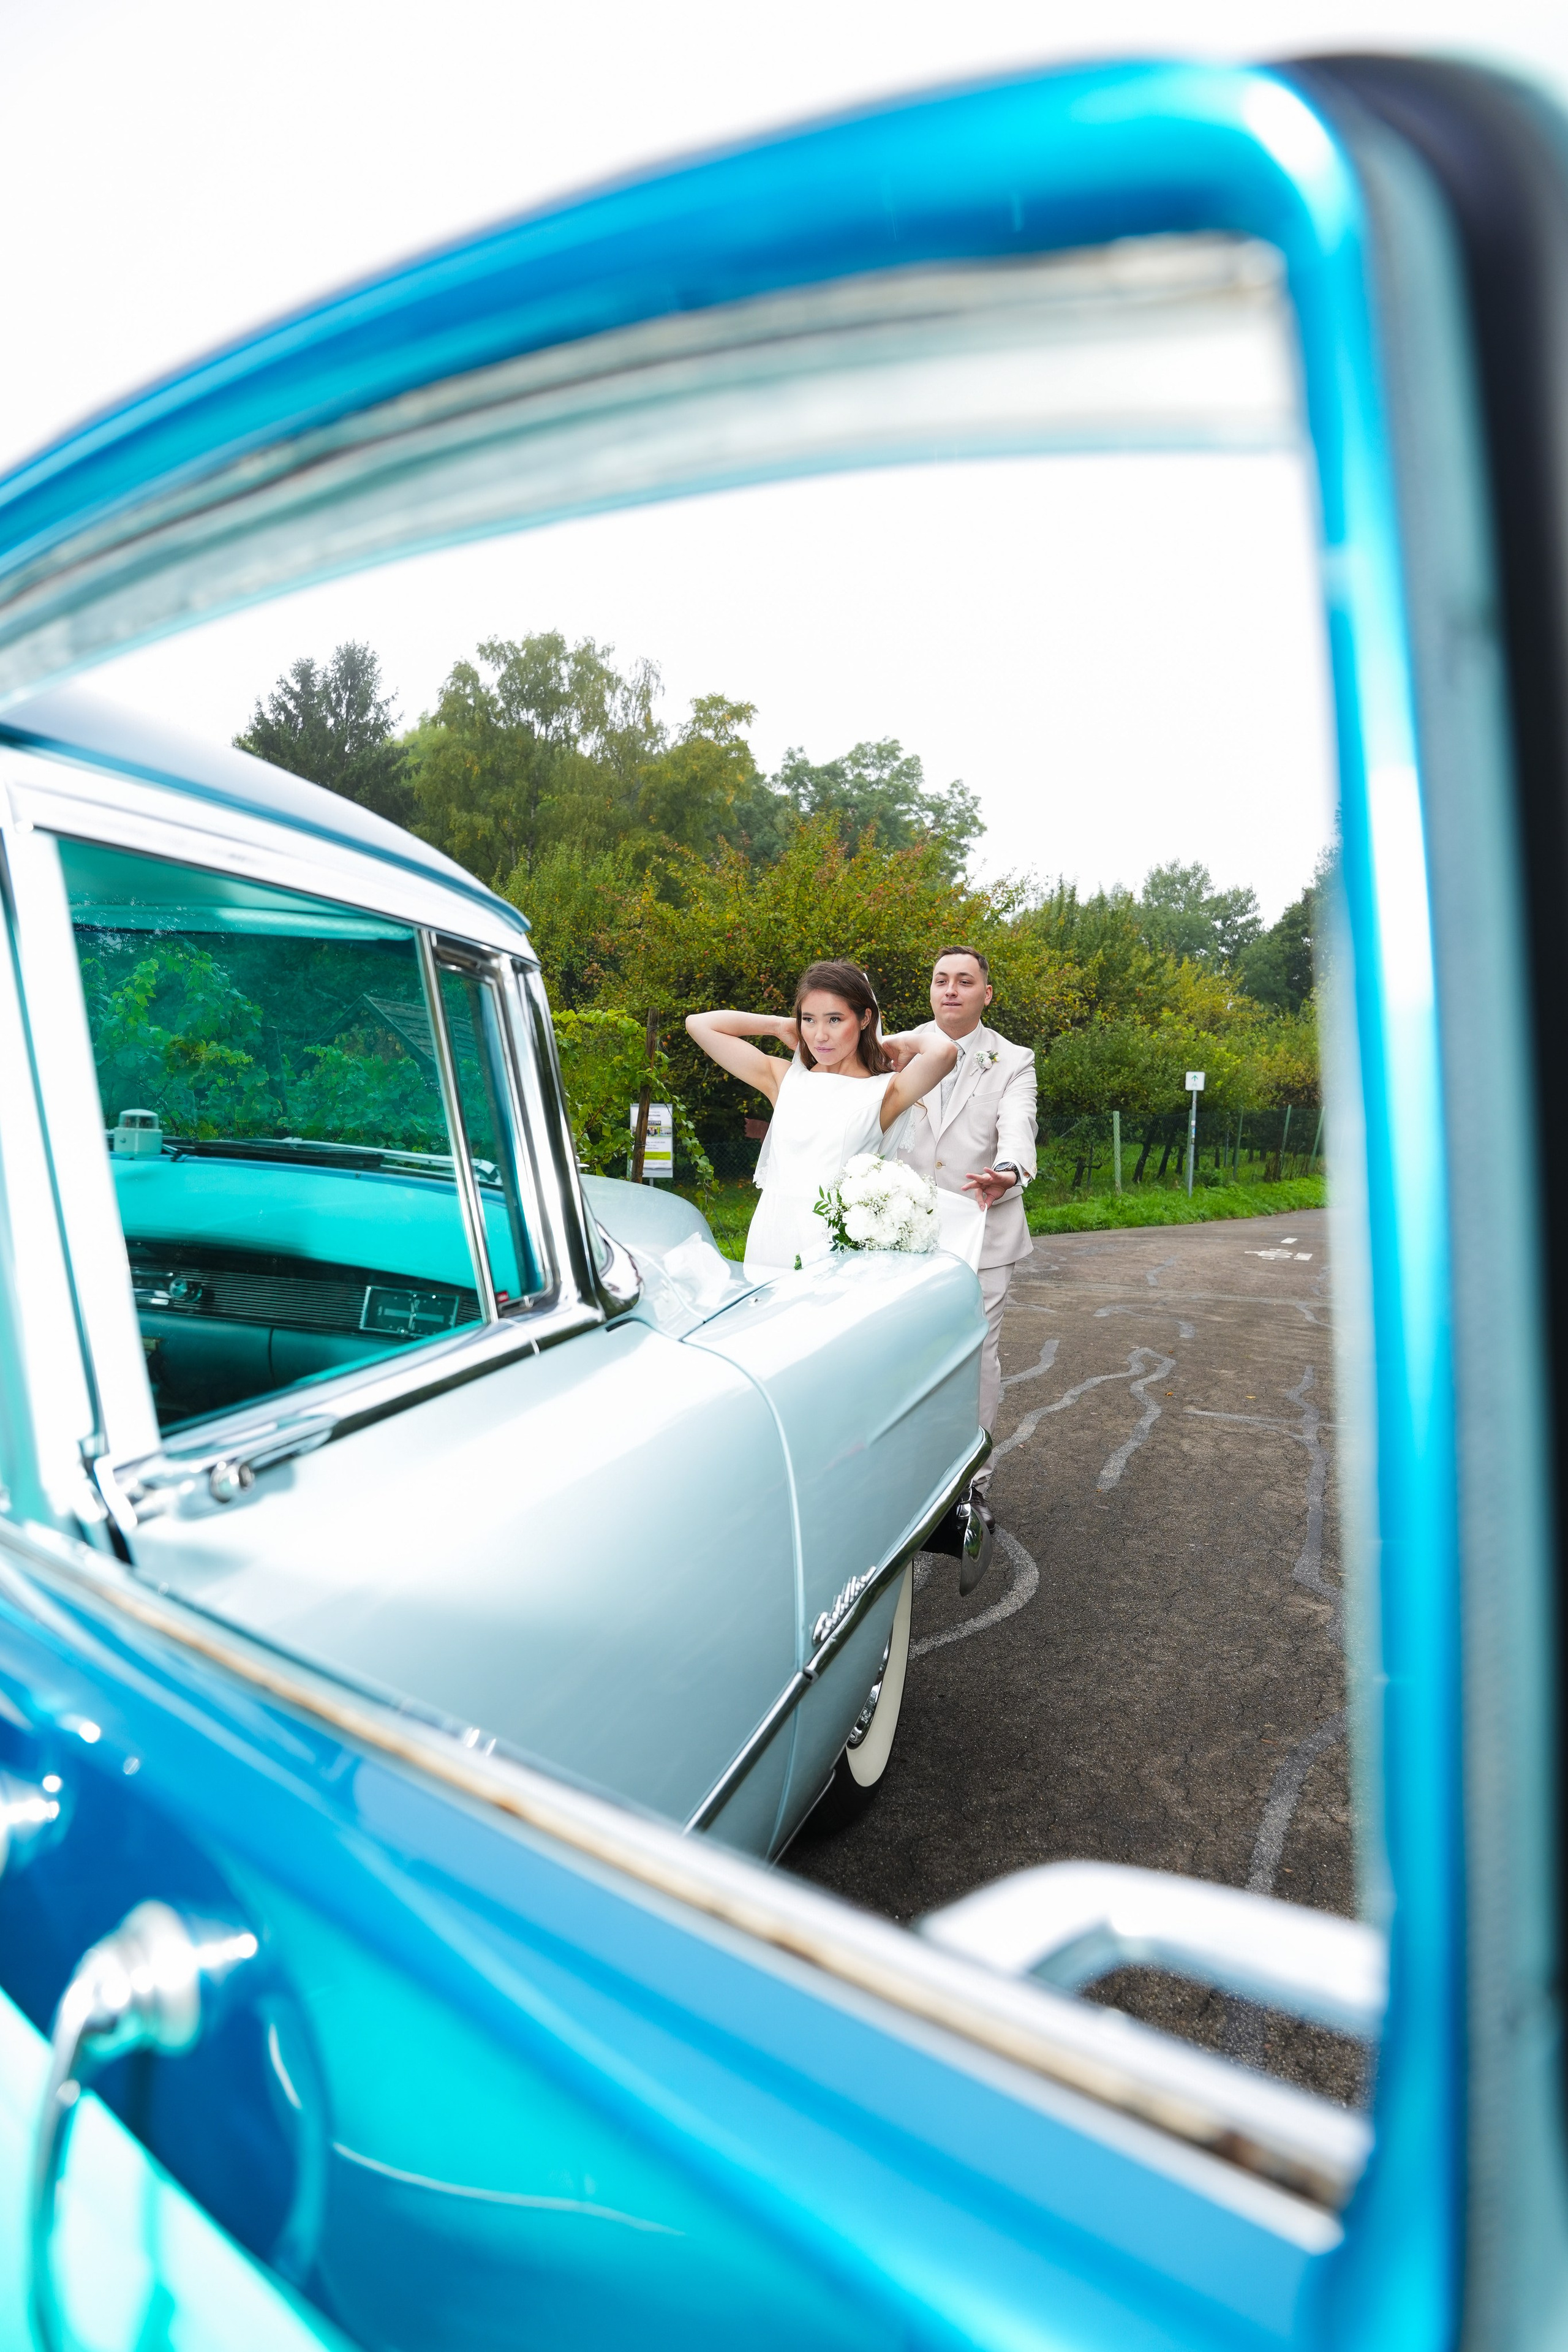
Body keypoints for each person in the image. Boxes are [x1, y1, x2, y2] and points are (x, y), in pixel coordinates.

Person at [882, 945, 1039, 1504]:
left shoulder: (1013, 1059)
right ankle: (905, 1468)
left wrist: (1008, 1171)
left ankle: (972, 1481)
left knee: (977, 1354)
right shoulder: (893, 1049)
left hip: (983, 1226)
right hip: (900, 1232)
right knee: (902, 1352)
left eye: (965, 981)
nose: (951, 989)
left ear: (986, 993)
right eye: (941, 980)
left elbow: (1018, 1125)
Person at [686, 962, 957, 1283]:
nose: (820, 1035)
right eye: (809, 1020)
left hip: (837, 1247)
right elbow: (699, 1024)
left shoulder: (886, 1092)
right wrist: (777, 1025)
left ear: (865, 1018)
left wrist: (901, 1042)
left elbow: (943, 1053)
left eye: (835, 1019)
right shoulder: (782, 1079)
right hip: (771, 1236)